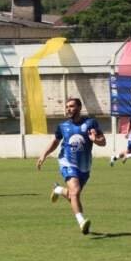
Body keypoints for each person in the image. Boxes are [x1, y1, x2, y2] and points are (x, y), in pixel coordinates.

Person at [37, 97, 106, 234]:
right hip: (67, 162)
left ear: (79, 108)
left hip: (84, 166)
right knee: (75, 192)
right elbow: (55, 142)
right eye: (67, 106)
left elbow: (103, 141)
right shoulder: (63, 126)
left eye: (72, 106)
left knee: (72, 195)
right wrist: (44, 154)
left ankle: (58, 190)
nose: (69, 109)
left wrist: (95, 139)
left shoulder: (90, 123)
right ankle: (81, 222)